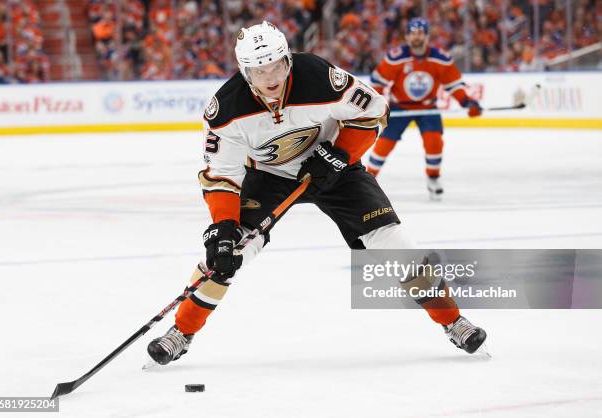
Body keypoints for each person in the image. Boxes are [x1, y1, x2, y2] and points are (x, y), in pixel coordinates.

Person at [146, 21, 487, 366]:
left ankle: (452, 320)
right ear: (244, 71)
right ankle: (182, 331)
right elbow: (221, 177)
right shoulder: (226, 110)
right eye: (259, 70)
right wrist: (221, 227)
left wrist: (340, 154)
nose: (271, 78)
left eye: (277, 65)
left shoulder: (319, 77)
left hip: (333, 167)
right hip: (267, 176)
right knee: (225, 255)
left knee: (393, 241)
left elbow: (375, 111)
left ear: (288, 60)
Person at [366, 18, 482, 201]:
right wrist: (376, 104)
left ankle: (433, 178)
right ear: (407, 36)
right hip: (399, 107)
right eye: (412, 33)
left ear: (427, 36)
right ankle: (367, 180)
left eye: (420, 33)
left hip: (428, 107)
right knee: (384, 145)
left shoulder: (440, 58)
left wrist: (467, 102)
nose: (416, 37)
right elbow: (377, 82)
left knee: (434, 142)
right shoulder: (396, 57)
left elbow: (453, 85)